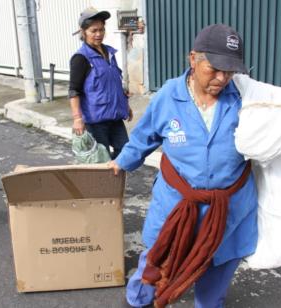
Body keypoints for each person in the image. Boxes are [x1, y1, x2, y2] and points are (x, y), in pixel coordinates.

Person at [109, 24, 258, 307]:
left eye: (229, 71)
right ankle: (139, 301)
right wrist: (119, 164)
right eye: (214, 68)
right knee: (156, 263)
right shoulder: (169, 96)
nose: (222, 78)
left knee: (216, 270)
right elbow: (143, 138)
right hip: (176, 205)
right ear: (193, 59)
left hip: (227, 209)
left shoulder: (244, 98)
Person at [69, 7, 133, 159]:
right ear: (83, 32)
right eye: (94, 30)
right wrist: (77, 119)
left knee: (125, 154)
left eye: (102, 30)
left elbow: (114, 84)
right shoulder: (81, 58)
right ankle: (103, 182)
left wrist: (125, 105)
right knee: (102, 160)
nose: (98, 34)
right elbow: (74, 91)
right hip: (96, 122)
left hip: (115, 118)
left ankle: (116, 181)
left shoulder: (109, 53)